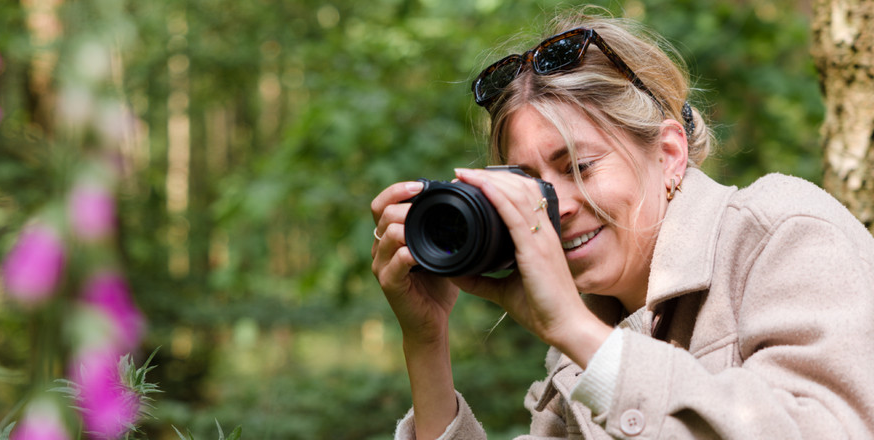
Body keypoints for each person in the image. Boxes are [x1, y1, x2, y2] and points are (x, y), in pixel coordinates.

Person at [369, 9, 874, 440]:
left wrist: (577, 331)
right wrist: (427, 342)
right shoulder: (588, 334)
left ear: (670, 155)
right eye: (530, 184)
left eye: (579, 167)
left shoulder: (778, 232)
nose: (555, 207)